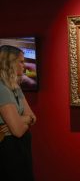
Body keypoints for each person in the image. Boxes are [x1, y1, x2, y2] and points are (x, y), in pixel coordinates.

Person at [0, 45, 37, 181]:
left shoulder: (15, 87)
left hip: (21, 149)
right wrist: (25, 120)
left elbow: (33, 117)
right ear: (9, 63)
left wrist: (23, 119)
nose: (24, 65)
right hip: (9, 151)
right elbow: (17, 131)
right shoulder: (2, 88)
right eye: (20, 62)